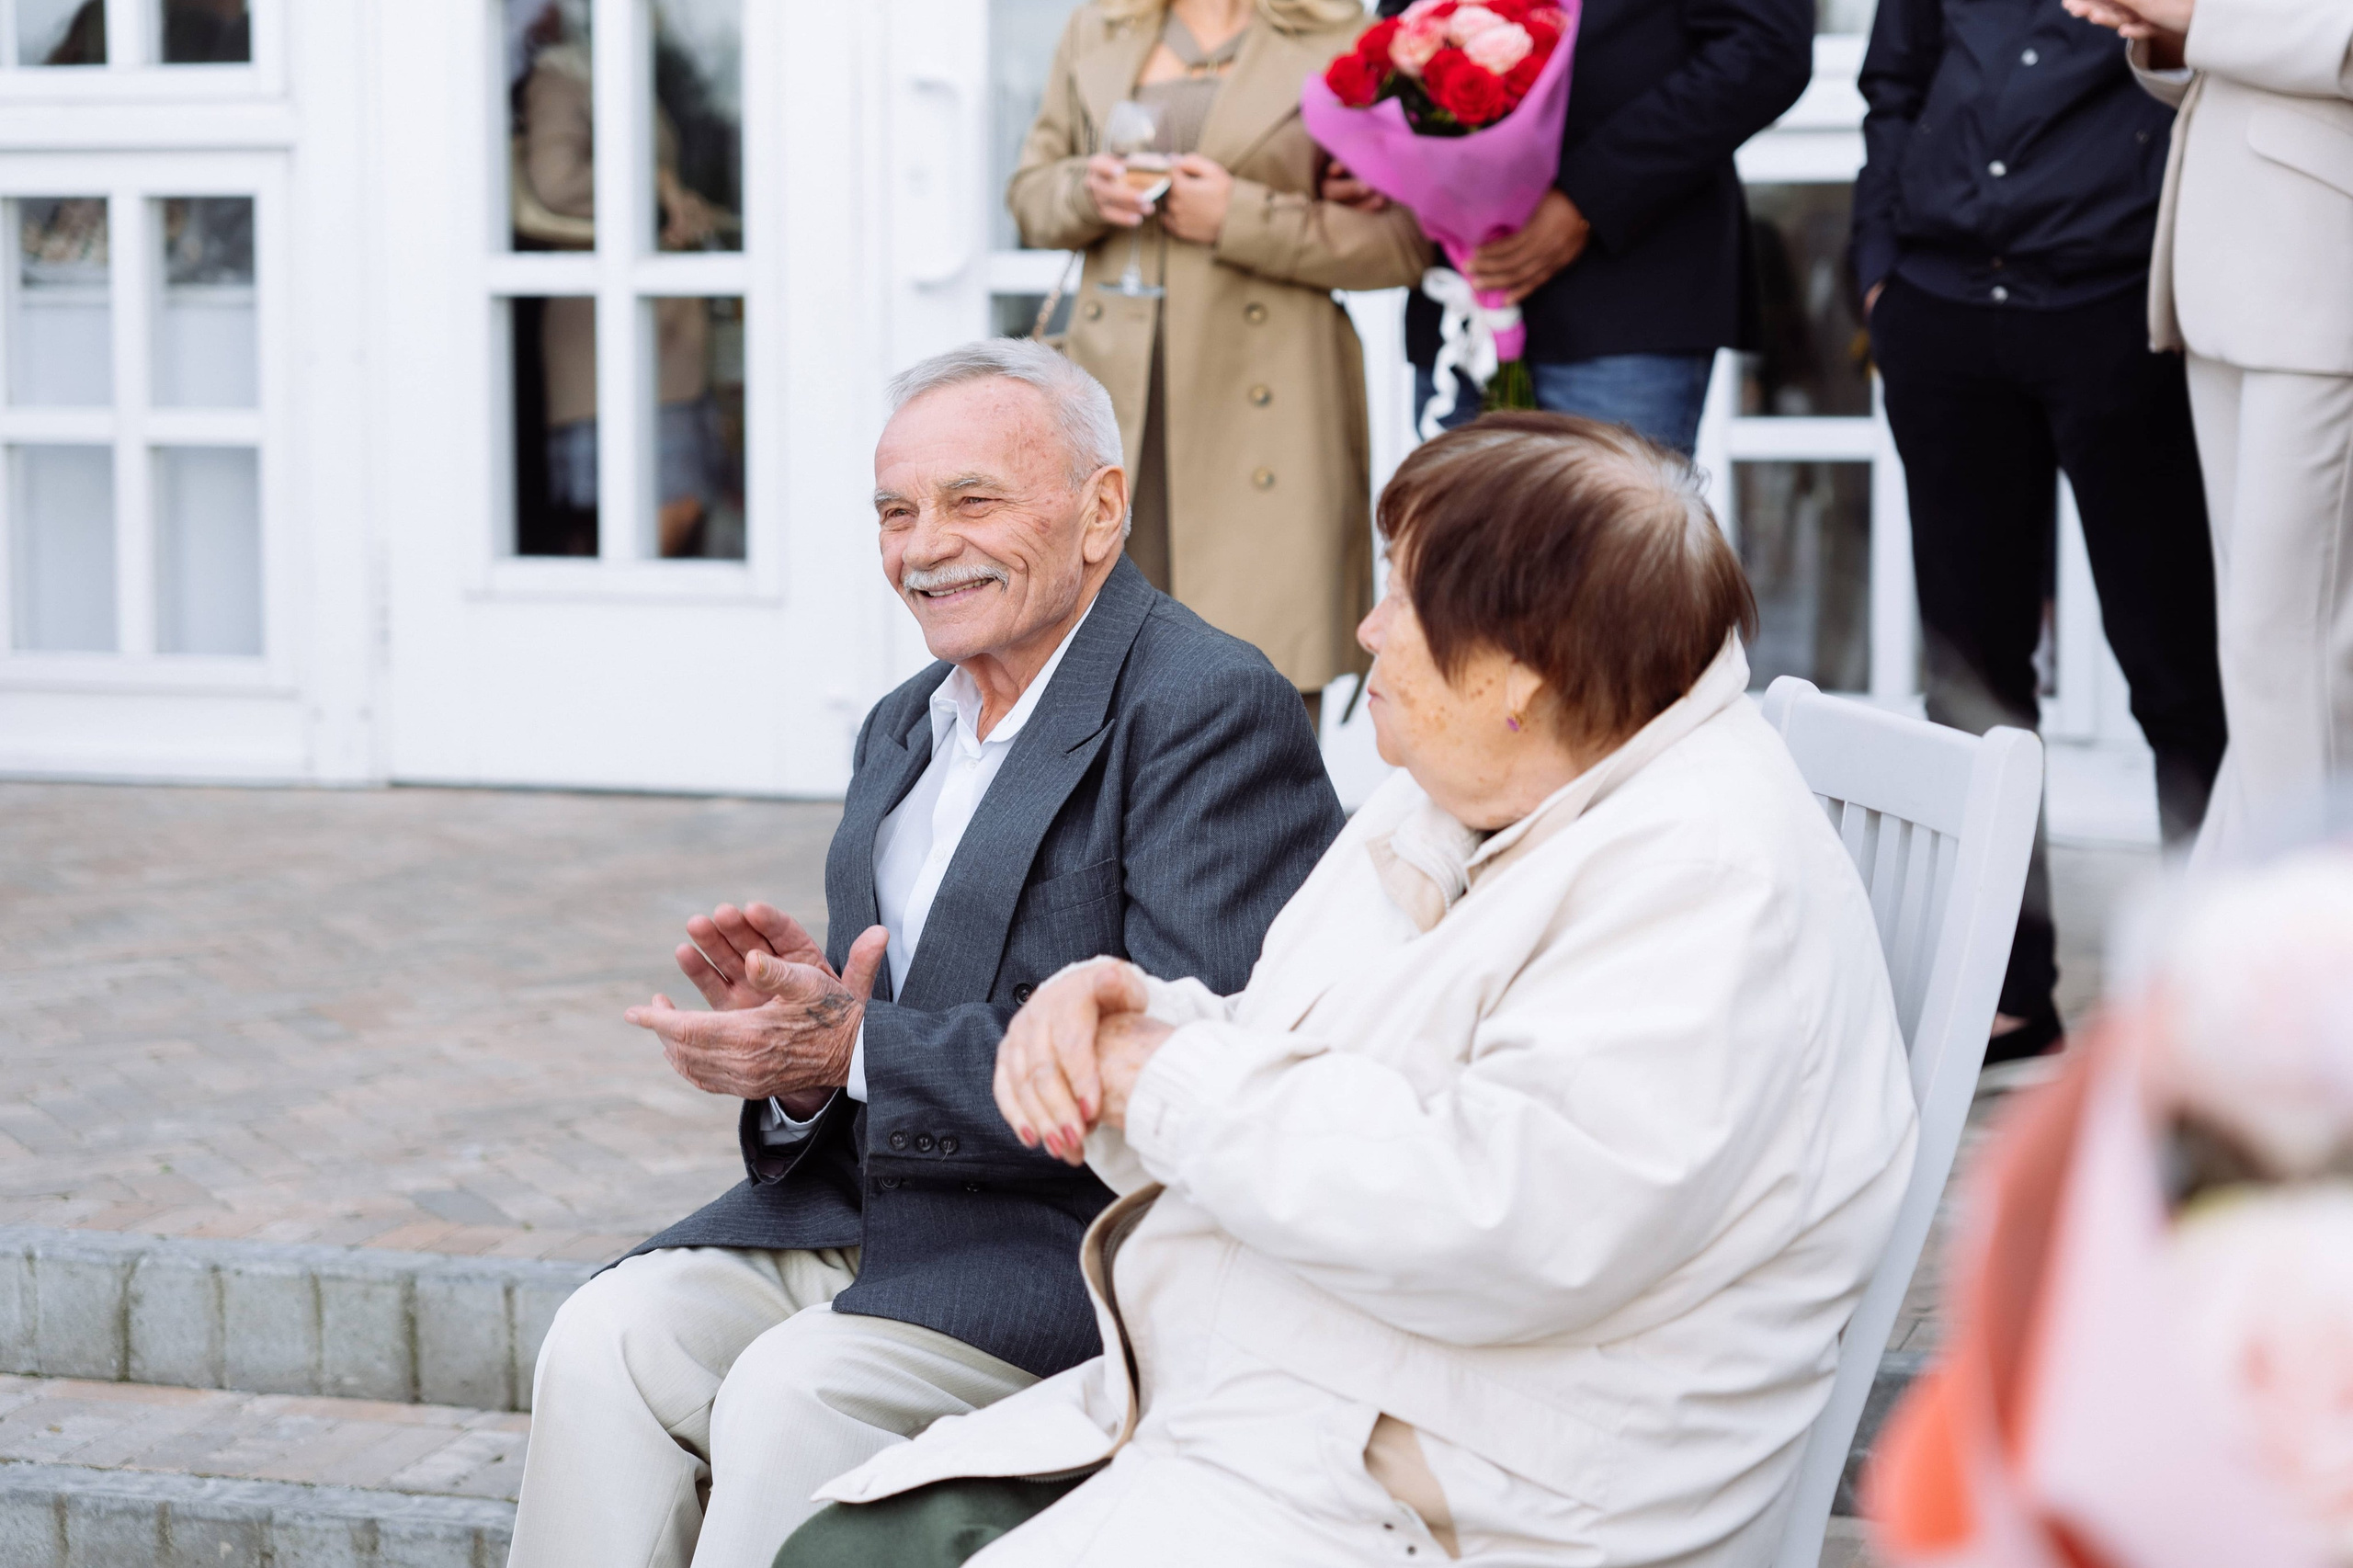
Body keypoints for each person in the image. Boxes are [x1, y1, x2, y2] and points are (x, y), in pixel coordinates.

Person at [778, 415, 1921, 1567]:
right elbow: (1309, 1043)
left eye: (1407, 600)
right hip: (1308, 1381)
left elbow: (1498, 1218)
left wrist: (1156, 1075)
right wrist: (1139, 1025)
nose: (1366, 627)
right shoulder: (1471, 776)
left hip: (1471, 1482)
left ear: (1521, 670)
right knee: (842, 1544)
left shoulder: (1704, 886)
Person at [504, 340, 1346, 1568]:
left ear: (1101, 509)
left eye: (972, 500)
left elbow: (1189, 1053)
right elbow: (875, 1032)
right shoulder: (908, 723)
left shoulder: (1205, 705)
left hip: (1076, 1245)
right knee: (608, 1336)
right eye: (895, 512)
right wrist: (804, 1060)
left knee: (793, 1392)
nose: (922, 547)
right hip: (879, 1210)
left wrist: (858, 1047)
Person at [1851, 0, 2227, 1068]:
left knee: (2179, 672)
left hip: (2119, 309)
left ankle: (2211, 992)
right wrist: (1881, 264)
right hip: (1943, 308)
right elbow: (1891, 86)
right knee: (1971, 677)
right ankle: (2006, 991)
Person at [1007, 0, 1428, 703]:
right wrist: (1086, 189)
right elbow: (1028, 194)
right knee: (1092, 675)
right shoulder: (1100, 25)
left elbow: (1402, 245)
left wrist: (1240, 216)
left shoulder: (1347, 38)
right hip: (1118, 403)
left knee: (1262, 680)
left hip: (1268, 398)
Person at [2064, 0, 2353, 867]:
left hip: (2320, 278)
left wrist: (2199, 13)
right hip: (2226, 275)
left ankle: (2293, 964)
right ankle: (2243, 949)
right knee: (2263, 657)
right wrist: (2168, 38)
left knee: (2286, 658)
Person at [1331, 0, 1814, 454]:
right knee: (1455, 540)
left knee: (1603, 540)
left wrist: (1590, 198)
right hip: (1461, 299)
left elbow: (1766, 47)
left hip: (1627, 294)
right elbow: (1399, 24)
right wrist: (1374, 145)